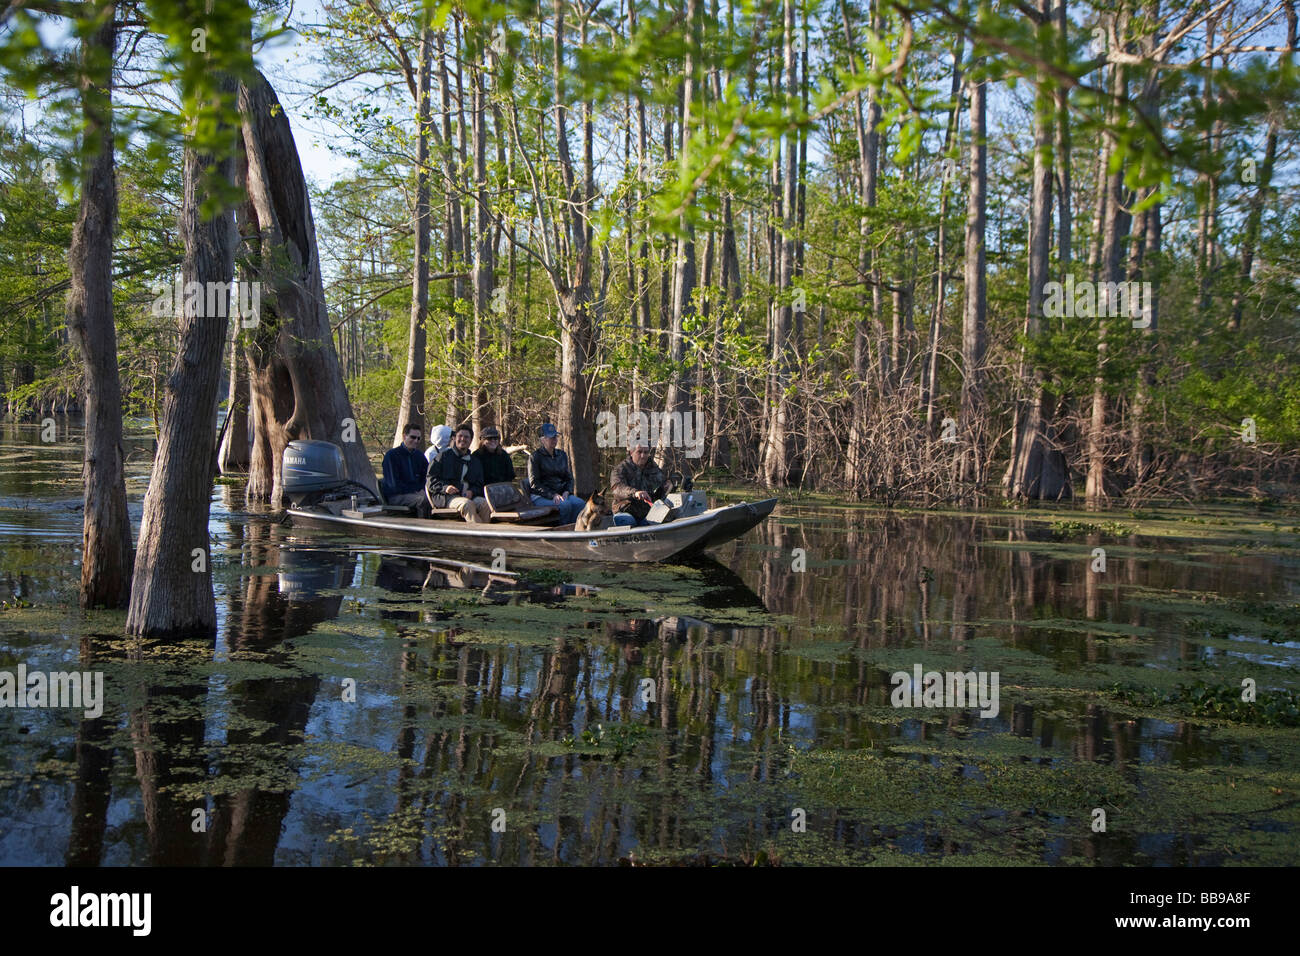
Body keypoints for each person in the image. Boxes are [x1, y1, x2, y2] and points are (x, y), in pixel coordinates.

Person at [427, 425, 492, 522]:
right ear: (454, 438)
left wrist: (472, 491)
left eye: (466, 437)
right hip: (446, 497)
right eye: (460, 436)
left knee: (485, 504)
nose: (463, 439)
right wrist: (446, 488)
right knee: (467, 505)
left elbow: (479, 484)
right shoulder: (443, 457)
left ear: (470, 440)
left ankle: (484, 532)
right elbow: (431, 479)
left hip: (468, 496)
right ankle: (480, 534)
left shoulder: (475, 461)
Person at [526, 422, 585, 525]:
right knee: (565, 505)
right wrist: (552, 495)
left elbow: (569, 478)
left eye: (555, 436)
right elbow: (534, 483)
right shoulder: (535, 457)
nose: (554, 440)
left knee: (580, 503)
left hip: (561, 493)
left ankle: (575, 531)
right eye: (551, 437)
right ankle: (562, 532)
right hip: (541, 496)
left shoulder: (561, 455)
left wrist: (567, 491)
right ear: (542, 439)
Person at [610, 441, 671, 527]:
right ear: (631, 453)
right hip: (625, 511)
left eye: (646, 452)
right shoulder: (620, 469)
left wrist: (668, 486)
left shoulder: (653, 468)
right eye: (639, 452)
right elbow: (617, 489)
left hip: (647, 513)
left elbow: (663, 483)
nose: (643, 456)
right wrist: (635, 493)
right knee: (624, 520)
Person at [380, 423, 428, 508]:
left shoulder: (420, 456)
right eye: (413, 437)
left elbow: (426, 478)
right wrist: (415, 490)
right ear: (404, 436)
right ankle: (423, 521)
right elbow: (393, 485)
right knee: (424, 500)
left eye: (418, 438)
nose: (416, 441)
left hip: (417, 493)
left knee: (435, 499)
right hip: (396, 496)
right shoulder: (392, 456)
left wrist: (422, 489)